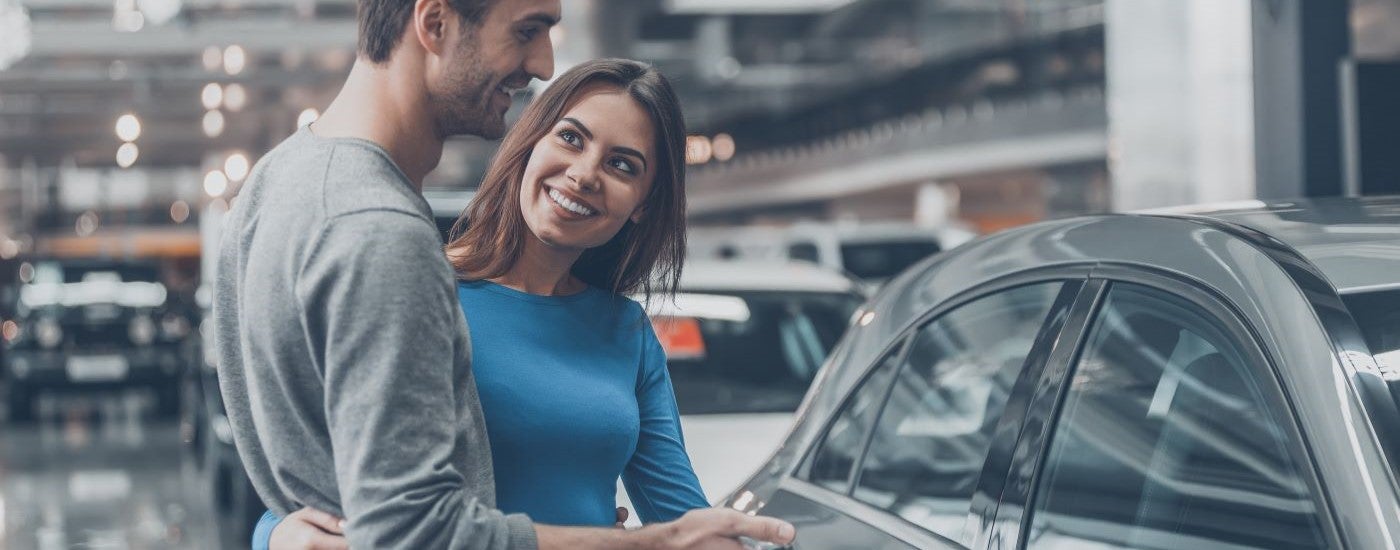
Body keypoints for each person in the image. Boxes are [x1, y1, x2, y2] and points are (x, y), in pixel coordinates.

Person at [213, 0, 798, 547]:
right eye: (570, 138)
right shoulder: (423, 283)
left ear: (643, 203)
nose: (584, 174)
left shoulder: (625, 332)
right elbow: (334, 494)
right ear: (530, 143)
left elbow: (685, 522)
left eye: (622, 165)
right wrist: (274, 535)